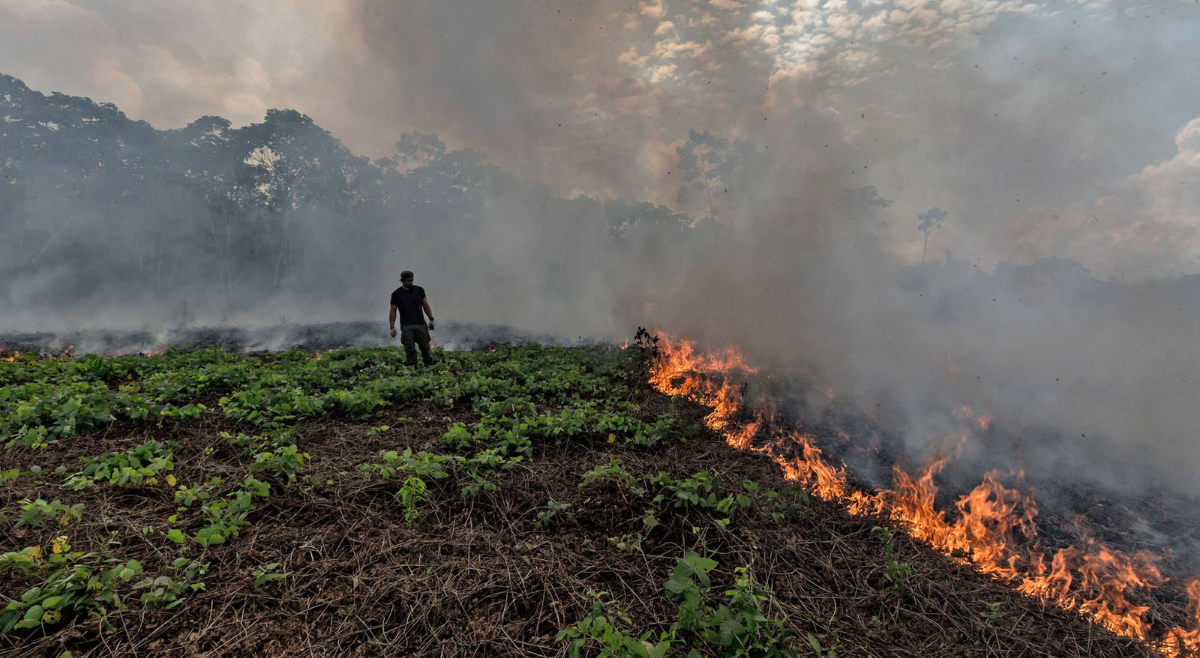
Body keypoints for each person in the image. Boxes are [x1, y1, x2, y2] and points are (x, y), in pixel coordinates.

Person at [389, 271, 436, 366]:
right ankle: (412, 369)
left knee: (425, 348)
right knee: (410, 350)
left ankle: (430, 367)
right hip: (406, 326)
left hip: (420, 324)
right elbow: (393, 310)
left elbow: (425, 305)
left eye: (412, 280)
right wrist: (392, 327)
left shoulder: (419, 290)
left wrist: (431, 319)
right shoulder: (396, 294)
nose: (411, 282)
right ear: (402, 281)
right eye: (408, 281)